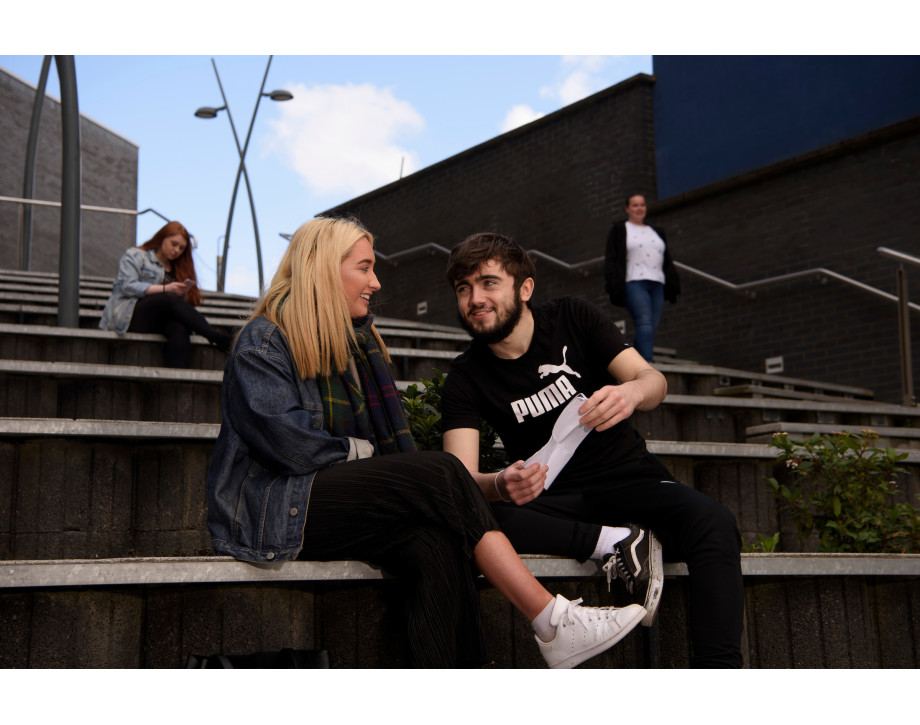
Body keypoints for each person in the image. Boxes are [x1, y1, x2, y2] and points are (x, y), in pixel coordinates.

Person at [205, 216, 647, 669]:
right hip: (275, 511)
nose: (376, 282)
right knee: (440, 470)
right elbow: (290, 445)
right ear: (321, 268)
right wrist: (366, 456)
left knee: (436, 541)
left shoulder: (356, 344)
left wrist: (382, 468)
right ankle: (552, 620)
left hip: (334, 502)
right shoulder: (264, 340)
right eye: (364, 268)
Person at [441, 232, 744, 668]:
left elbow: (653, 381)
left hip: (629, 476)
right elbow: (461, 479)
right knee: (465, 516)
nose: (475, 299)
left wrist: (630, 395)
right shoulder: (465, 378)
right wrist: (500, 483)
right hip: (557, 502)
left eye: (489, 283)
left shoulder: (572, 317)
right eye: (463, 288)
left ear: (525, 288)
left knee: (714, 522)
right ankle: (617, 542)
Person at [100, 221, 232, 367]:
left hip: (159, 319)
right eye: (174, 244)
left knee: (178, 328)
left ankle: (176, 384)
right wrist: (166, 289)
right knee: (168, 297)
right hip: (128, 315)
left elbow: (176, 306)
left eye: (181, 248)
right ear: (162, 237)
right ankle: (213, 336)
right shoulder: (136, 255)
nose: (177, 250)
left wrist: (181, 292)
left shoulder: (178, 268)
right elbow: (127, 286)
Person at [604, 193, 680, 362]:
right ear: (627, 209)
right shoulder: (620, 229)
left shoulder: (656, 231)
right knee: (644, 321)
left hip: (658, 282)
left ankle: (636, 359)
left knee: (651, 325)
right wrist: (611, 281)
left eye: (642, 205)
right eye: (635, 205)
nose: (640, 208)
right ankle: (648, 363)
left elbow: (666, 258)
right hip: (634, 281)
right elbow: (611, 257)